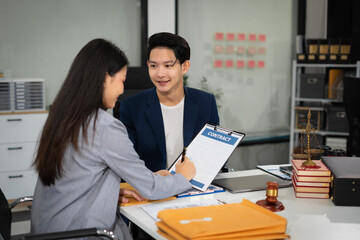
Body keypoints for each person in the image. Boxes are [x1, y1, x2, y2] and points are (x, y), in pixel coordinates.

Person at [30, 38, 195, 240]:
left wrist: (107, 191)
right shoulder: (104, 126)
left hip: (47, 232)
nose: (123, 90)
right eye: (122, 81)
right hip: (84, 234)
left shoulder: (63, 117)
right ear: (105, 78)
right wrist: (183, 176)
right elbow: (151, 188)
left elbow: (74, 177)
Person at [119, 32, 220, 172]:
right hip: (152, 189)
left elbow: (215, 154)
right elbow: (125, 162)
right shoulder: (132, 107)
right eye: (153, 66)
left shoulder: (205, 103)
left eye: (168, 66)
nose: (160, 74)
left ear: (184, 67)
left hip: (194, 188)